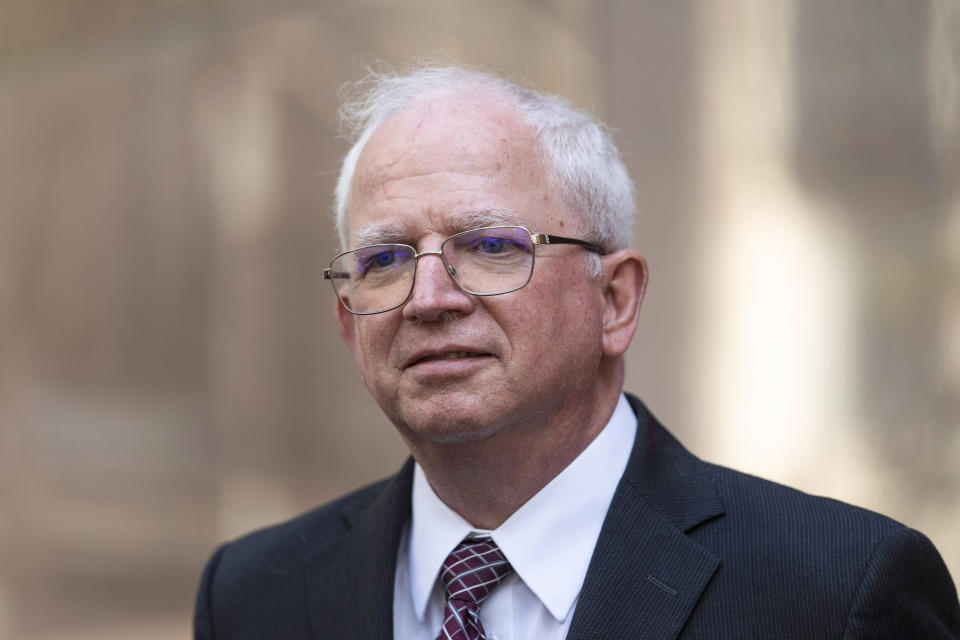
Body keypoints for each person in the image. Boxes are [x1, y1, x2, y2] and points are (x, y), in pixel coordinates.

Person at [194, 64, 960, 639]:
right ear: (348, 321)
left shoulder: (837, 594)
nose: (428, 299)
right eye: (385, 260)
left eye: (491, 245)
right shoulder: (253, 595)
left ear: (615, 300)